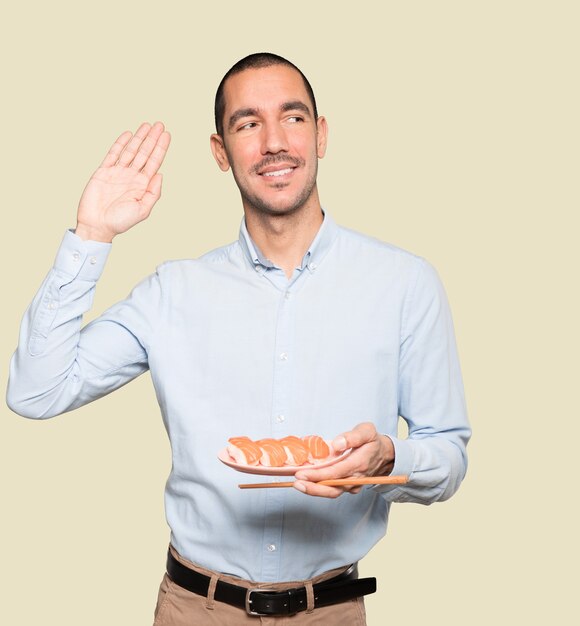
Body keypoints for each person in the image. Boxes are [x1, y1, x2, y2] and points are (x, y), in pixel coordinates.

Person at [7, 52, 471, 625]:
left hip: (329, 611)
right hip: (194, 609)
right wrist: (92, 233)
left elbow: (448, 453)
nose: (274, 142)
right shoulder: (171, 291)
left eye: (293, 118)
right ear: (220, 152)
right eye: (248, 124)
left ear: (321, 135)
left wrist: (387, 458)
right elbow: (35, 392)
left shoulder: (405, 283)